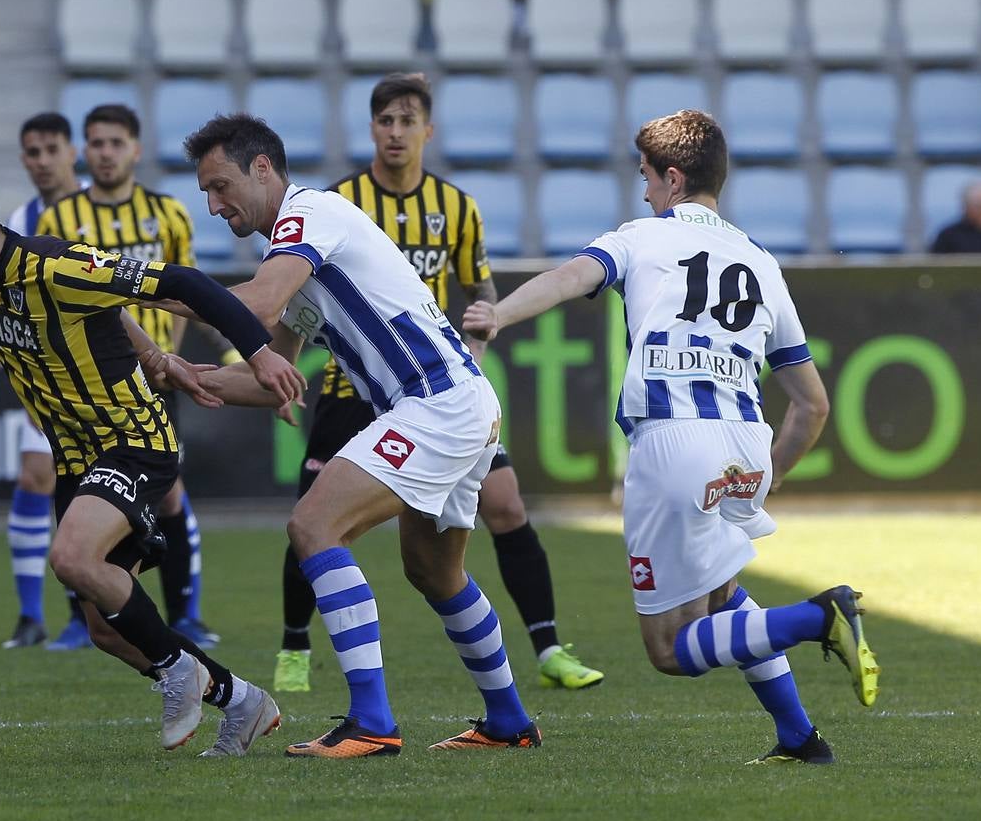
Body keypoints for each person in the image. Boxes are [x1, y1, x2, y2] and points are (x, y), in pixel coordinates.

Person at [462, 109, 881, 764]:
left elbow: (570, 278)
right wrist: (762, 480)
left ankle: (818, 617)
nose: (645, 192)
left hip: (672, 443)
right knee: (722, 597)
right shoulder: (761, 261)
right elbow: (813, 407)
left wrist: (498, 314)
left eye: (648, 178)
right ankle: (800, 738)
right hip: (745, 441)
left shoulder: (642, 239)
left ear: (673, 178)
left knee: (667, 652)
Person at [0, 160, 301, 755]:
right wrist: (157, 356)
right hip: (76, 460)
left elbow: (187, 284)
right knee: (105, 628)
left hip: (134, 441)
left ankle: (178, 672)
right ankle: (242, 702)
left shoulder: (55, 264)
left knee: (72, 557)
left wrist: (258, 354)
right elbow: (106, 309)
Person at [182, 114, 541, 758]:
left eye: (220, 185)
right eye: (205, 193)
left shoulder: (308, 213)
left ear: (263, 167)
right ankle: (509, 720)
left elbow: (256, 307)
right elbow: (272, 379)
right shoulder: (290, 257)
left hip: (435, 402)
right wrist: (182, 374)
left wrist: (157, 290)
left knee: (313, 526)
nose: (214, 206)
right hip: (459, 406)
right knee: (435, 572)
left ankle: (372, 720)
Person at [273, 72, 602, 695]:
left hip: (432, 391)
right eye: (384, 121)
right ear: (371, 128)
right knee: (379, 547)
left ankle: (548, 647)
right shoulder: (338, 202)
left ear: (428, 130)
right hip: (355, 393)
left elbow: (481, 295)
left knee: (497, 509)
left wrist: (480, 337)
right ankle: (295, 646)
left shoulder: (456, 208)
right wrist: (199, 372)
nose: (395, 133)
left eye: (406, 121)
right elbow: (284, 316)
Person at [33, 103, 227, 652]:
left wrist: (172, 362)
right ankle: (83, 617)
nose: (105, 153)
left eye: (115, 142)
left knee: (167, 497)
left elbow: (187, 296)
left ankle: (185, 613)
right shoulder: (57, 222)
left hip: (155, 380)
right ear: (84, 151)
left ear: (136, 149)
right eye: (96, 143)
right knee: (76, 493)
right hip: (84, 386)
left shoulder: (167, 214)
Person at [0, 112, 82, 651]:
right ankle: (32, 615)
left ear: (72, 152)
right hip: (43, 379)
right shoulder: (19, 218)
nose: (41, 161)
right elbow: (5, 303)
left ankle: (101, 612)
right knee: (36, 478)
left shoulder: (99, 213)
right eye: (32, 152)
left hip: (102, 378)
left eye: (50, 150)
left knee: (159, 497)